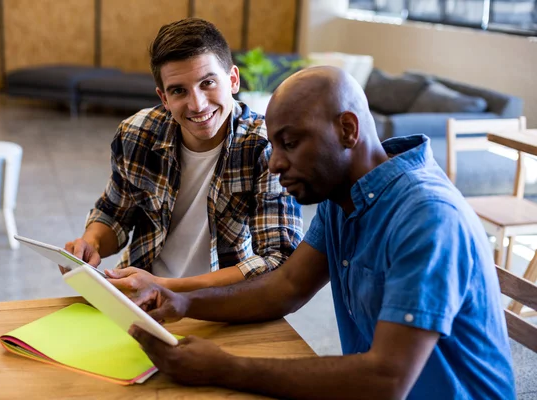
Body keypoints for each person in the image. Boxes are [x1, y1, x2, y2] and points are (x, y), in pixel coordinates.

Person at [124, 66, 516, 399]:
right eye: (274, 145)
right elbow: (287, 287)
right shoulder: (343, 196)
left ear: (348, 129)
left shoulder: (426, 217)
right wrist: (185, 302)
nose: (275, 163)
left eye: (290, 143)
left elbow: (386, 380)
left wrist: (226, 368)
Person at [63, 18, 303, 291]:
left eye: (208, 83)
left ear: (233, 80)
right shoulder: (137, 133)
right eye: (179, 90)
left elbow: (278, 258)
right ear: (164, 98)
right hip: (140, 293)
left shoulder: (265, 146)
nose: (197, 104)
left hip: (224, 301)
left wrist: (167, 287)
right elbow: (114, 214)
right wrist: (90, 243)